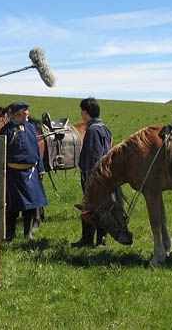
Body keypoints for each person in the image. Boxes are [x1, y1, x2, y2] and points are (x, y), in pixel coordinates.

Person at [0, 101, 48, 240]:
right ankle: (10, 234)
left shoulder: (31, 128)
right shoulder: (7, 130)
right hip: (14, 174)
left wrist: (40, 168)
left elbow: (36, 150)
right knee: (12, 207)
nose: (27, 114)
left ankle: (28, 234)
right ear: (18, 114)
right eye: (25, 112)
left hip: (31, 174)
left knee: (31, 206)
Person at [71, 97, 113, 248]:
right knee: (101, 207)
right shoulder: (104, 128)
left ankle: (88, 240)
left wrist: (90, 177)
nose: (81, 113)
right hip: (105, 177)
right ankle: (100, 240)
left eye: (82, 110)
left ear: (86, 112)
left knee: (91, 207)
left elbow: (95, 156)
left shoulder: (93, 130)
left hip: (94, 178)